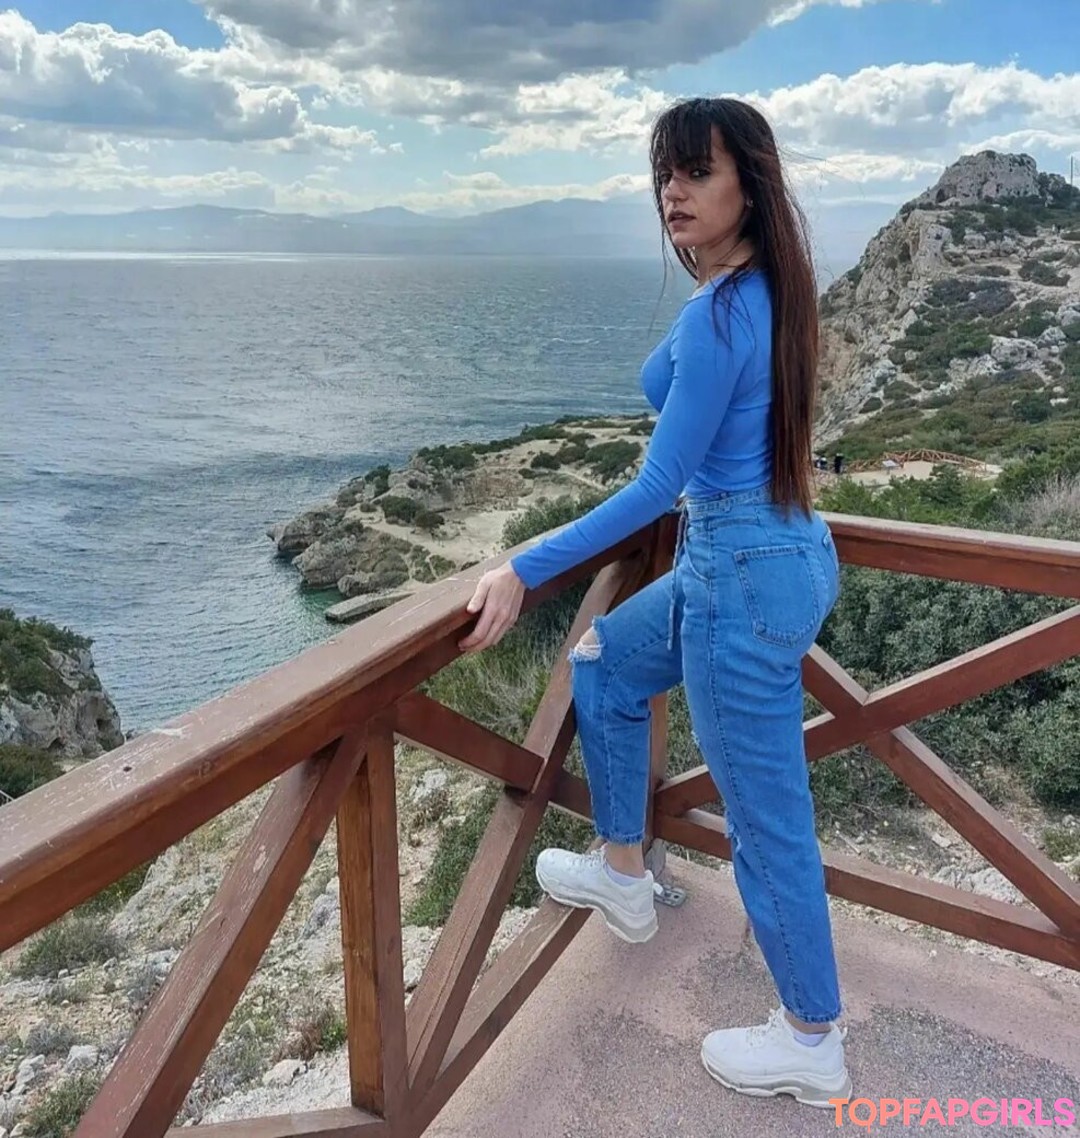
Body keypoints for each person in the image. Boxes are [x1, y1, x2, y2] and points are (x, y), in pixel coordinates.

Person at [458, 96, 850, 1108]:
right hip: (782, 551)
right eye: (665, 173)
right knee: (604, 659)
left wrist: (522, 566)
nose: (674, 190)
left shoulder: (718, 317)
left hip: (735, 572)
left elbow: (654, 488)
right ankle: (624, 871)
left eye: (697, 171)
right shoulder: (770, 292)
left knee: (765, 820)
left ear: (748, 186)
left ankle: (812, 1036)